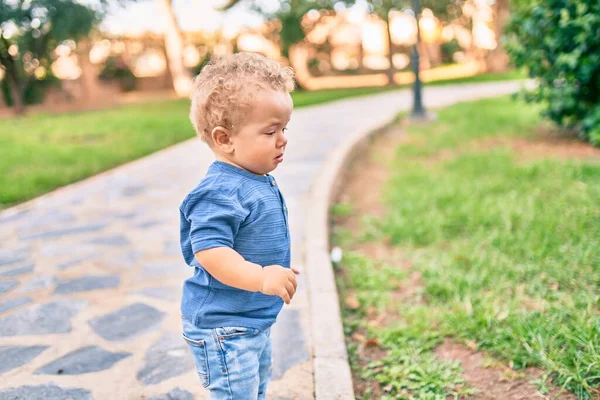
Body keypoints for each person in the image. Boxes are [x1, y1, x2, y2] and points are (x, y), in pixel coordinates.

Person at [179, 52, 299, 399]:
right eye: (270, 131)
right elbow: (210, 252)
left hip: (249, 321)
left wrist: (272, 268)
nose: (283, 139)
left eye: (284, 128)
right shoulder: (219, 190)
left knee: (254, 389)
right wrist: (261, 277)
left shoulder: (251, 178)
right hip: (225, 326)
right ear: (224, 139)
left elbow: (249, 239)